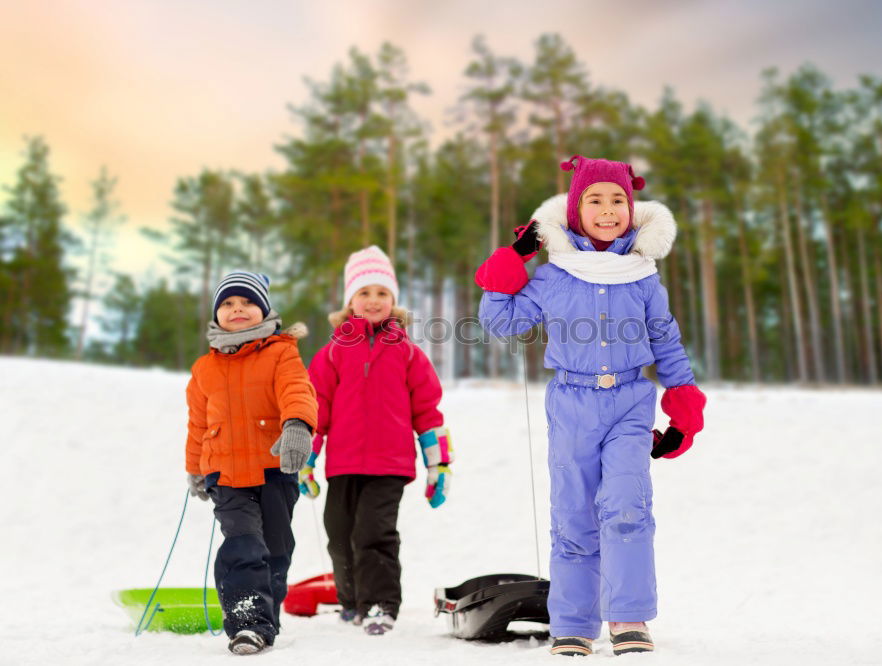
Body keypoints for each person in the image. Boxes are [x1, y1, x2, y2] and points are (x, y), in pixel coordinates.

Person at [475, 156, 707, 656]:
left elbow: (665, 339)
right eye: (594, 200)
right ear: (576, 211)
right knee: (574, 513)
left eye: (618, 200)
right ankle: (574, 624)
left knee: (627, 507)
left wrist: (682, 399)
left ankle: (628, 618)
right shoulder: (555, 275)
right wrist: (514, 259)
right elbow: (501, 322)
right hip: (572, 403)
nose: (607, 210)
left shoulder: (643, 276)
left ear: (633, 208)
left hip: (630, 401)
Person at [303, 245, 453, 636]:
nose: (373, 301)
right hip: (344, 462)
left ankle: (380, 605)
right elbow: (315, 408)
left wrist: (439, 465)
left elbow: (428, 411)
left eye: (382, 293)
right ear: (350, 300)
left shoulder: (408, 354)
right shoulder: (332, 353)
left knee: (373, 532)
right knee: (339, 532)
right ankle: (351, 601)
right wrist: (306, 458)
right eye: (364, 293)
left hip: (390, 464)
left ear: (394, 300)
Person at [185, 270, 318, 655]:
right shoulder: (204, 369)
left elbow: (298, 391)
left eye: (247, 302)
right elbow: (197, 423)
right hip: (225, 475)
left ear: (263, 310)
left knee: (275, 549)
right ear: (216, 313)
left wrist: (296, 425)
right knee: (242, 545)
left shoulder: (281, 352)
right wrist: (195, 466)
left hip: (275, 470)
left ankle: (265, 619)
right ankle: (246, 622)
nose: (237, 309)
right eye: (228, 303)